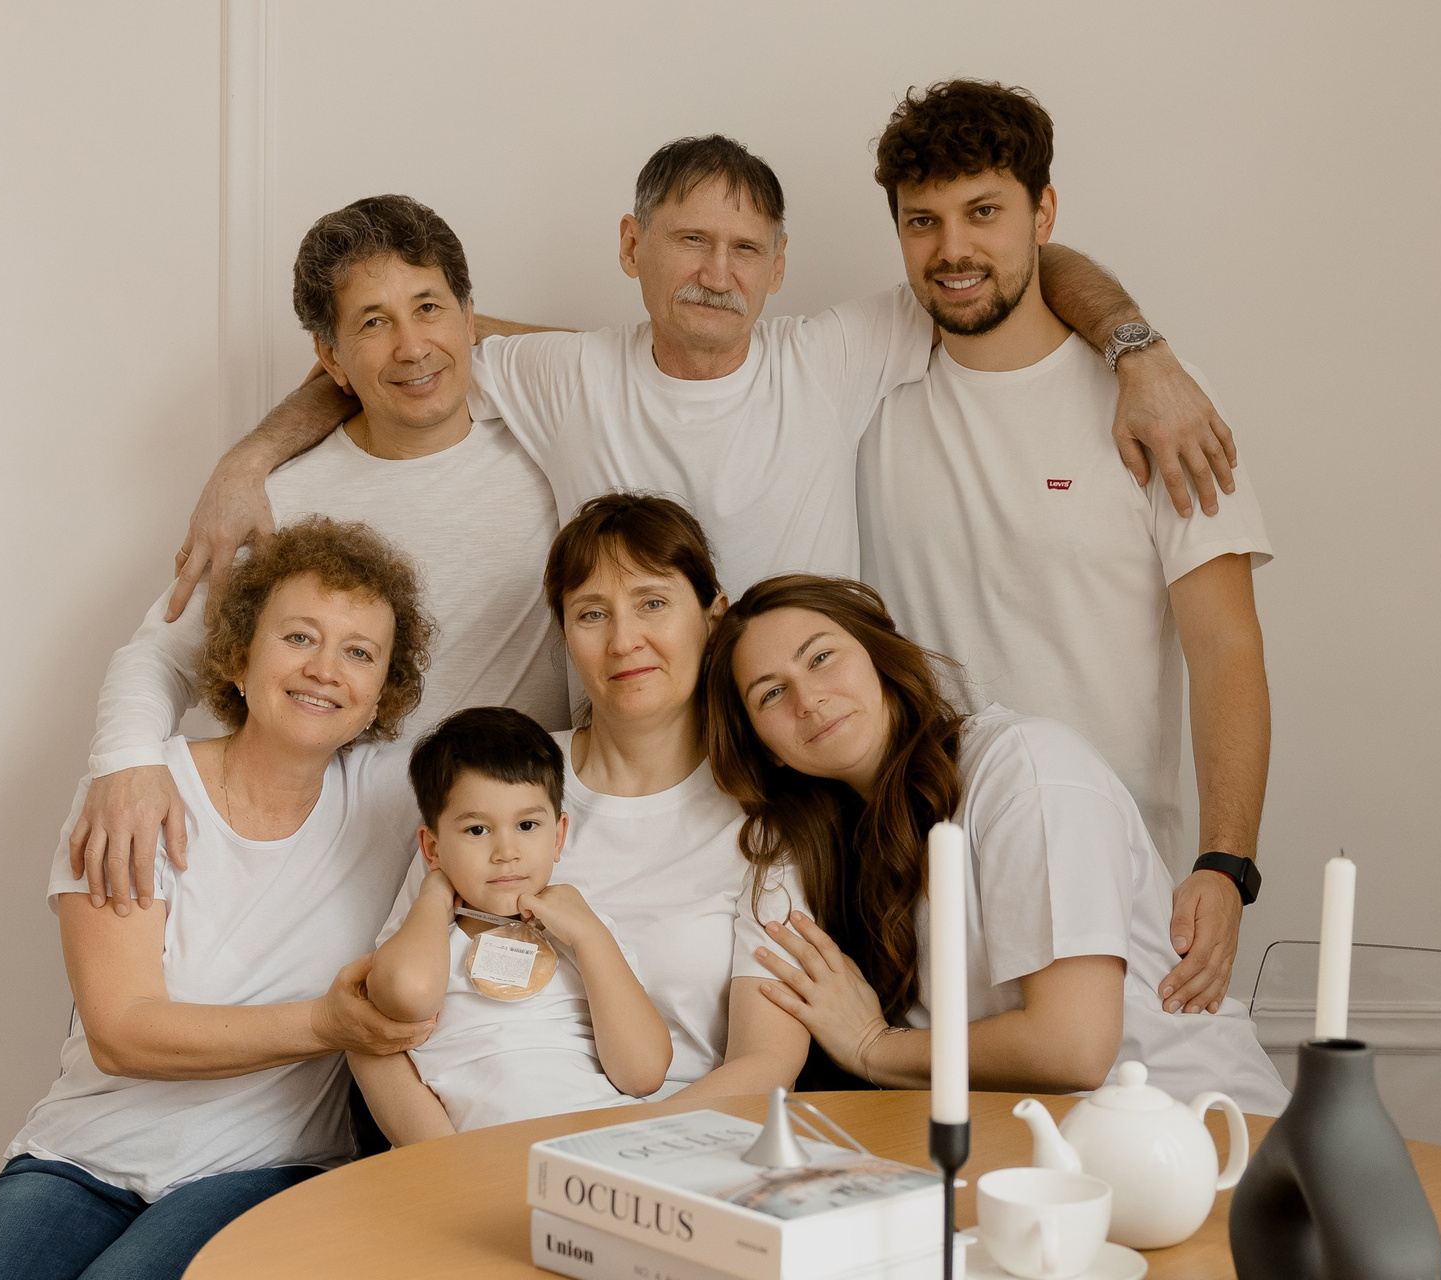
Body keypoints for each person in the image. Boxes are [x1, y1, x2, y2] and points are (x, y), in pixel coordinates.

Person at [168, 132, 1238, 613]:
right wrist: (246, 460)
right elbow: (398, 343)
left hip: (810, 756)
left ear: (780, 265)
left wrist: (1141, 352)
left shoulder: (834, 351)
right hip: (632, 766)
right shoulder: (565, 374)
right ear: (631, 245)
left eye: (743, 249)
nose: (716, 274)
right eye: (689, 241)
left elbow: (1019, 262)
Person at [857, 81, 1273, 1015]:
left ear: (1043, 214)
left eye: (985, 212)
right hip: (912, 907)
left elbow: (1225, 646)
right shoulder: (860, 383)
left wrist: (1226, 863)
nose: (953, 249)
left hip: (1118, 899)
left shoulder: (1162, 407)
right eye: (923, 221)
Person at [0, 518, 438, 1280]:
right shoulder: (135, 794)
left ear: (381, 698)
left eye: (359, 653)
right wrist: (326, 1023)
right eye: (299, 637)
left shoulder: (397, 801)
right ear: (238, 658)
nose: (326, 669)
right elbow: (122, 1032)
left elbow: (546, 776)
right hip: (81, 1158)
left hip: (270, 1168)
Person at [70, 194, 567, 915]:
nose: (411, 347)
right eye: (373, 322)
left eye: (429, 308)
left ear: (470, 317)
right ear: (330, 358)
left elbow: (657, 362)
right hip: (334, 869)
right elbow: (165, 652)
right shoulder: (279, 497)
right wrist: (125, 763)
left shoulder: (555, 447)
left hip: (512, 863)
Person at [704, 575, 1288, 1116]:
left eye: (821, 657)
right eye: (770, 694)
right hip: (1041, 1152)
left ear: (879, 656)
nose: (808, 699)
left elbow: (1074, 1047)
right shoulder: (832, 854)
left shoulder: (1023, 769)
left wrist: (871, 1045)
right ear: (766, 748)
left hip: (1207, 1131)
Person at [357, 493, 810, 1129]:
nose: (624, 641)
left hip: (682, 1143)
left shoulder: (764, 829)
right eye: (592, 614)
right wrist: (448, 1168)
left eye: (652, 603)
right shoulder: (505, 777)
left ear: (714, 617)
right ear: (566, 634)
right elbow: (374, 1030)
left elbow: (766, 1063)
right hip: (470, 1146)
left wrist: (607, 1163)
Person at [354, 707, 672, 1138]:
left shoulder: (583, 934)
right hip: (485, 1160)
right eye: (477, 830)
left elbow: (644, 1074)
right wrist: (433, 897)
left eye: (526, 825)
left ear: (558, 836)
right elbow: (406, 996)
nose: (506, 852)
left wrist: (589, 937)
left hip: (605, 1141)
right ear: (433, 848)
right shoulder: (423, 941)